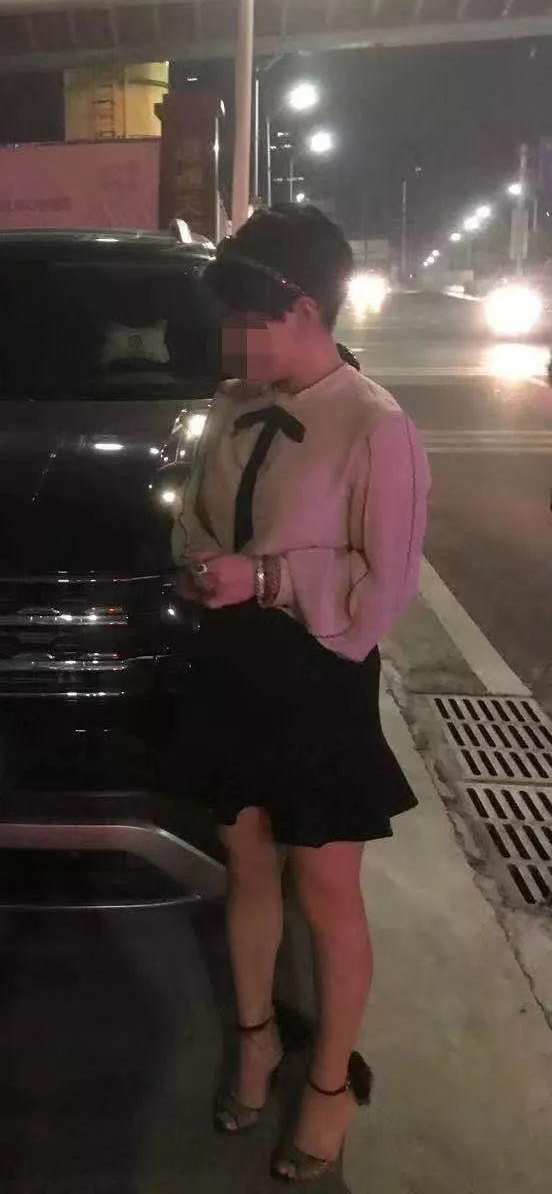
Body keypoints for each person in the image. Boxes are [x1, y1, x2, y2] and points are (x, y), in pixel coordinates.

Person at [171, 204, 430, 1183]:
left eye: (250, 319)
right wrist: (201, 562)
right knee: (246, 866)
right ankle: (255, 1043)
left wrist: (271, 577)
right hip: (232, 669)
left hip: (318, 681)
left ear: (307, 308)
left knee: (325, 891)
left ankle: (327, 1087)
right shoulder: (230, 405)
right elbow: (192, 519)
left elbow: (382, 589)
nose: (235, 342)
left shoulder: (375, 426)